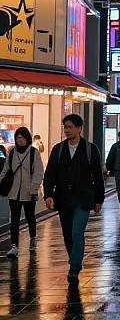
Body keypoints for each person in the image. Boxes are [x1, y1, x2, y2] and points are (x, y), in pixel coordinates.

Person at [43, 114, 105, 286]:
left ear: (79, 128)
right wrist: (48, 194)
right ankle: (75, 260)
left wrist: (99, 199)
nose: (67, 130)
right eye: (65, 127)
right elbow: (50, 174)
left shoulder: (90, 149)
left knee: (77, 232)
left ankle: (74, 268)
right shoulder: (58, 149)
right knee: (67, 235)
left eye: (70, 127)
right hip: (63, 199)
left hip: (83, 199)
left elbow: (97, 177)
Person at [0, 127, 44, 258]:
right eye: (17, 138)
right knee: (14, 218)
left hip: (29, 191)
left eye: (21, 138)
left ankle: (33, 238)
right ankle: (14, 246)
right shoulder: (12, 153)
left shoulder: (33, 153)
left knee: (30, 216)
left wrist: (33, 187)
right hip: (14, 192)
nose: (19, 141)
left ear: (27, 138)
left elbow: (38, 172)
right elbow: (6, 170)